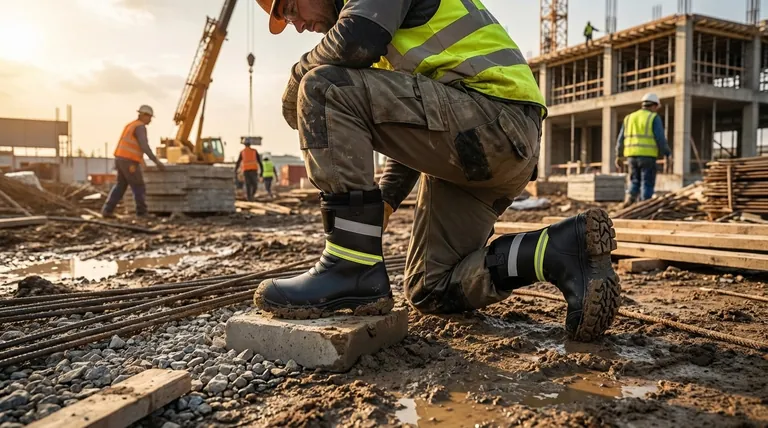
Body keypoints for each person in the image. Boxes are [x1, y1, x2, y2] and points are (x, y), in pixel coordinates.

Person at [251, 0, 620, 342]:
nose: (297, 25)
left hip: (492, 120)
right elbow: (413, 128)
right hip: (488, 145)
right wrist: (386, 202)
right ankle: (561, 249)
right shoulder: (386, 37)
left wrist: (299, 75)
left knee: (324, 86)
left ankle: (350, 268)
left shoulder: (366, 25)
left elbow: (356, 41)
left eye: (290, 8)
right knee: (431, 287)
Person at [102, 105, 165, 218]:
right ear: (144, 115)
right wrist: (157, 161)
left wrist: (142, 162)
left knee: (120, 185)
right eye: (150, 117)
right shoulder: (140, 127)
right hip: (129, 161)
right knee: (138, 185)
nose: (150, 120)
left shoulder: (131, 125)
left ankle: (107, 210)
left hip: (120, 159)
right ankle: (142, 212)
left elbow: (136, 147)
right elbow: (144, 146)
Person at [615, 93, 671, 206]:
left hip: (631, 156)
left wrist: (618, 156)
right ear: (654, 105)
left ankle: (630, 200)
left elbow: (620, 139)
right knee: (647, 182)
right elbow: (660, 138)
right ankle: (644, 205)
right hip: (647, 156)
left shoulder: (629, 118)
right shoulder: (653, 117)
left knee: (635, 180)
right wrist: (667, 153)